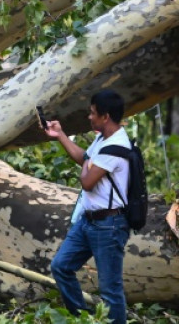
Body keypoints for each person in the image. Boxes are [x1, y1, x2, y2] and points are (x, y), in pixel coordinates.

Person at [43, 89, 131, 324]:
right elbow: (85, 159)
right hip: (88, 221)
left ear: (106, 116)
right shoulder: (102, 139)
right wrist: (60, 135)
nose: (89, 117)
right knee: (61, 266)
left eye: (93, 113)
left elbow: (87, 181)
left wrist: (88, 165)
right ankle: (84, 319)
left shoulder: (116, 147)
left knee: (110, 291)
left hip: (109, 225)